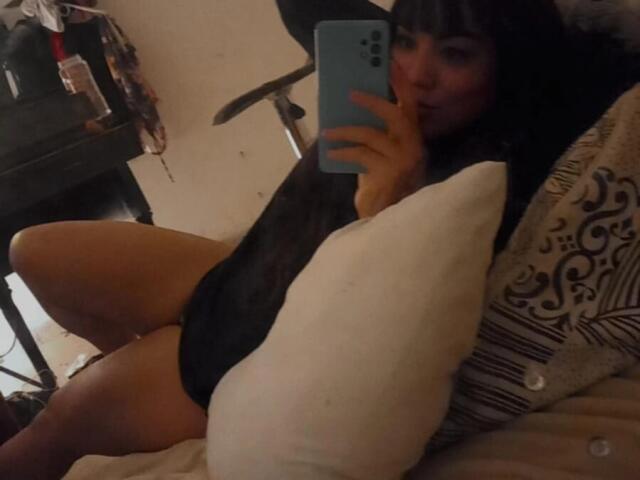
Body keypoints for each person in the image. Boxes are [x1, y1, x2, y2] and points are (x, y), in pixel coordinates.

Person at [0, 0, 636, 478]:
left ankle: (136, 401)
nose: (415, 74)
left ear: (508, 65)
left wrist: (393, 202)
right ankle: (125, 371)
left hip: (232, 347)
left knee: (51, 432)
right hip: (233, 274)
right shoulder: (380, 81)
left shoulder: (484, 177)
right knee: (34, 251)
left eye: (456, 55)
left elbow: (374, 318)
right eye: (404, 40)